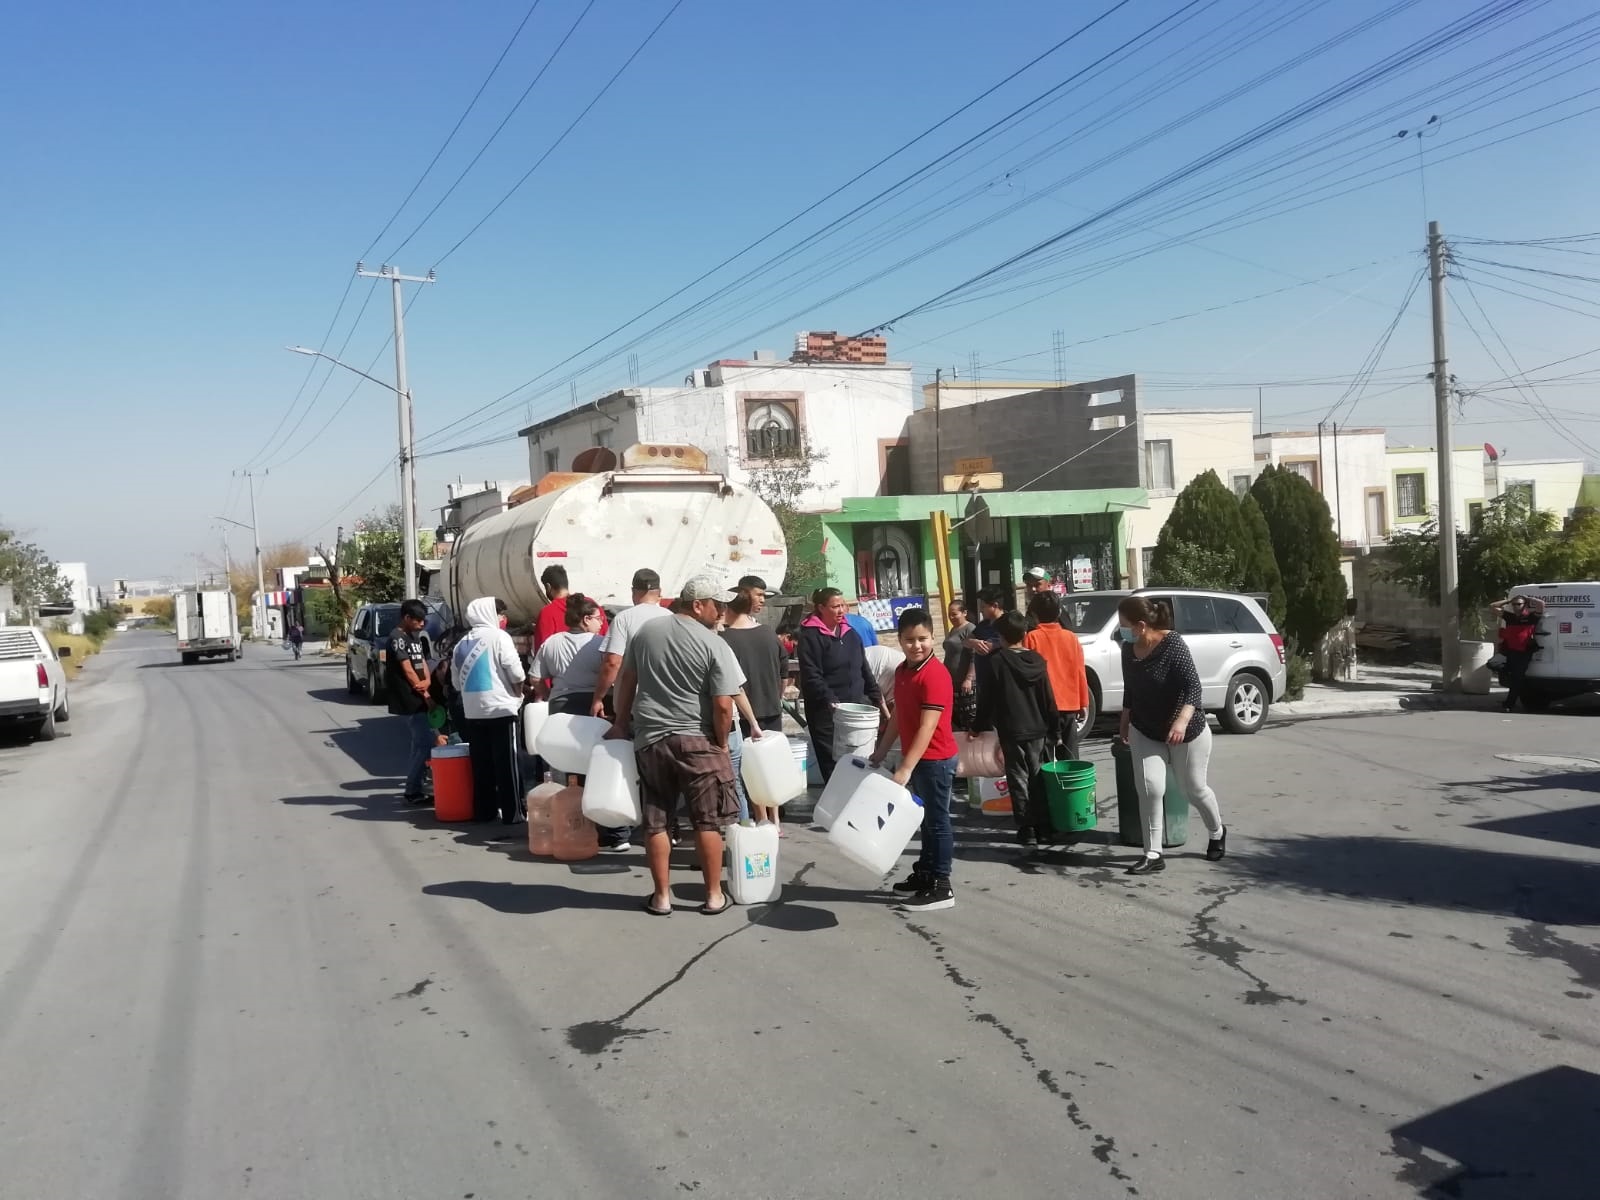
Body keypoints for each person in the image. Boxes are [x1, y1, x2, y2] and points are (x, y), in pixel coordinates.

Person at [608, 576, 743, 917]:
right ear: (698, 605)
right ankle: (714, 896)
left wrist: (620, 722)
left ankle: (662, 897)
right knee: (707, 822)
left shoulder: (646, 633)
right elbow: (724, 705)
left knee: (656, 819)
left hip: (651, 740)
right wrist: (723, 744)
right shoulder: (714, 644)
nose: (722, 611)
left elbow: (626, 680)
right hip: (699, 741)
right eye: (718, 604)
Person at [1116, 596, 1226, 875]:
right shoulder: (1128, 649)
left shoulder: (1173, 644)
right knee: (1150, 788)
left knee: (1193, 790)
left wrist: (1181, 721)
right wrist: (1125, 718)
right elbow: (1131, 688)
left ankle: (1217, 831)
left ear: (1141, 625)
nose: (1121, 630)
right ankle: (1153, 854)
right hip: (1145, 728)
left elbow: (1193, 687)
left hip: (1187, 732)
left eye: (1125, 625)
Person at [871, 607, 960, 912]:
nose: (916, 645)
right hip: (917, 759)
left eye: (922, 638)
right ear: (900, 640)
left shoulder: (935, 675)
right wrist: (882, 751)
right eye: (909, 640)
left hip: (935, 760)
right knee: (925, 822)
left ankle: (942, 885)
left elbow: (928, 725)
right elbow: (899, 714)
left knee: (938, 823)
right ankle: (925, 873)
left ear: (932, 637)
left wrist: (906, 767)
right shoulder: (903, 671)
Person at [588, 568, 670, 851]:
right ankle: (664, 829)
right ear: (659, 592)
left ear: (635, 592)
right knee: (662, 773)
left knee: (625, 767)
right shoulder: (673, 619)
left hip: (634, 706)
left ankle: (620, 833)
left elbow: (612, 662)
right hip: (668, 709)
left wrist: (599, 697)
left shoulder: (625, 618)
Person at [974, 611, 1059, 848]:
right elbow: (1048, 698)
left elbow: (987, 698)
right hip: (1038, 728)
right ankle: (1044, 826)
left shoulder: (997, 662)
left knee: (1018, 777)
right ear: (1024, 634)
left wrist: (977, 725)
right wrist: (1055, 728)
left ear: (1000, 636)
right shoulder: (1038, 660)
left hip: (1011, 728)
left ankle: (1027, 828)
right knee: (1038, 776)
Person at [453, 596, 529, 828]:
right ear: (489, 614)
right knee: (508, 763)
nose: (501, 618)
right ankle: (513, 812)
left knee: (482, 764)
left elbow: (456, 684)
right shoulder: (499, 637)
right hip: (501, 709)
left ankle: (484, 811)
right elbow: (516, 673)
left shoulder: (461, 643)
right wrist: (518, 691)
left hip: (474, 712)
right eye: (499, 613)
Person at [796, 588, 882, 782]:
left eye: (843, 605)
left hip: (856, 708)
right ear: (821, 608)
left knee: (858, 762)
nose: (841, 610)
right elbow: (812, 674)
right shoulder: (811, 637)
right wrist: (830, 700)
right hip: (827, 713)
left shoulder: (851, 634)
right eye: (835, 606)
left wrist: (876, 696)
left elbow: (864, 668)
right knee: (834, 765)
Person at [720, 578, 786, 825]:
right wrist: (776, 697)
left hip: (744, 713)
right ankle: (775, 820)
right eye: (759, 595)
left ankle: (762, 818)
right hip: (771, 708)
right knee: (770, 766)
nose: (762, 599)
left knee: (751, 770)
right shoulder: (768, 633)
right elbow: (783, 674)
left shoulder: (723, 639)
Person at [1025, 590, 1091, 762]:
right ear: (1059, 613)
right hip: (1068, 704)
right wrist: (1083, 702)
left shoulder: (1032, 638)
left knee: (1044, 760)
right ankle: (1070, 787)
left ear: (1034, 614)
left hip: (1042, 706)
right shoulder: (1070, 637)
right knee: (1069, 756)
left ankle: (1049, 788)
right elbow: (1079, 671)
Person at [386, 599, 433, 804]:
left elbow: (421, 660)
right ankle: (412, 790)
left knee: (418, 744)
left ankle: (416, 786)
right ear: (406, 618)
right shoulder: (396, 638)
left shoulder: (414, 636)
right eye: (418, 620)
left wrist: (428, 680)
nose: (422, 624)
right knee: (424, 744)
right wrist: (423, 691)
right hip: (410, 697)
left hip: (421, 693)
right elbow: (407, 669)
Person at [532, 593, 606, 716]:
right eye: (598, 619)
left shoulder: (551, 642)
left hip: (558, 705)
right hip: (592, 704)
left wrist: (550, 695)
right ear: (586, 619)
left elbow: (535, 678)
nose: (601, 623)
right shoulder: (600, 643)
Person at [1492, 593, 1546, 712]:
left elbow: (1541, 605)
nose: (1516, 606)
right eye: (1514, 604)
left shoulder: (1531, 617)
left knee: (1517, 678)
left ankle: (1509, 704)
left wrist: (1528, 599)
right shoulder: (1510, 617)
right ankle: (1512, 694)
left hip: (1523, 652)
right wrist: (1508, 600)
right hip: (1509, 650)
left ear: (1524, 605)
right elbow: (1493, 606)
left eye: (1519, 604)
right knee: (1495, 665)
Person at [534, 564, 607, 651]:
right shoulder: (592, 605)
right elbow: (607, 639)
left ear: (548, 587)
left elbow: (542, 650)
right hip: (596, 661)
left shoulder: (547, 613)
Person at [944, 600, 977, 731]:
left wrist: (969, 679)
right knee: (956, 717)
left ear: (964, 613)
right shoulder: (953, 629)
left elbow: (975, 655)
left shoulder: (970, 629)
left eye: (954, 614)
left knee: (969, 718)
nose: (951, 618)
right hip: (953, 683)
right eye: (949, 615)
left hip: (965, 683)